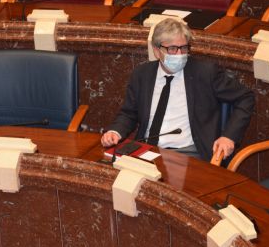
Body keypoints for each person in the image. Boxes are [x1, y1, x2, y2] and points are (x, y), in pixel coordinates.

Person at [101, 18, 254, 161]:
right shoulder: (143, 74)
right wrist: (115, 131)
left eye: (184, 48)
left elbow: (245, 97)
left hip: (188, 152)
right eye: (173, 49)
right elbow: (129, 113)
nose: (180, 54)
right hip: (145, 150)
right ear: (156, 50)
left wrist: (229, 136)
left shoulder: (205, 73)